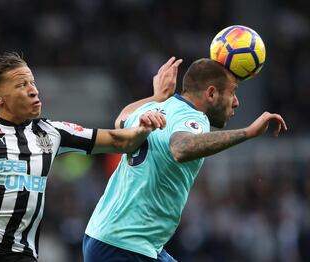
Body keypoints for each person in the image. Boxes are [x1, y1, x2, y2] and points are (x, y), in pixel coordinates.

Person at [0, 52, 169, 262]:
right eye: (21, 85)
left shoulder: (52, 132)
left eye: (32, 82)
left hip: (19, 253)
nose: (33, 90)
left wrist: (145, 122)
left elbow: (121, 140)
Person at [83, 57, 288, 261]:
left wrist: (157, 96)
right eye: (232, 92)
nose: (236, 102)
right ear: (211, 93)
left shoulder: (154, 108)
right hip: (125, 246)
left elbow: (121, 119)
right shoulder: (193, 117)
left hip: (106, 235)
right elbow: (180, 148)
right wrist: (248, 133)